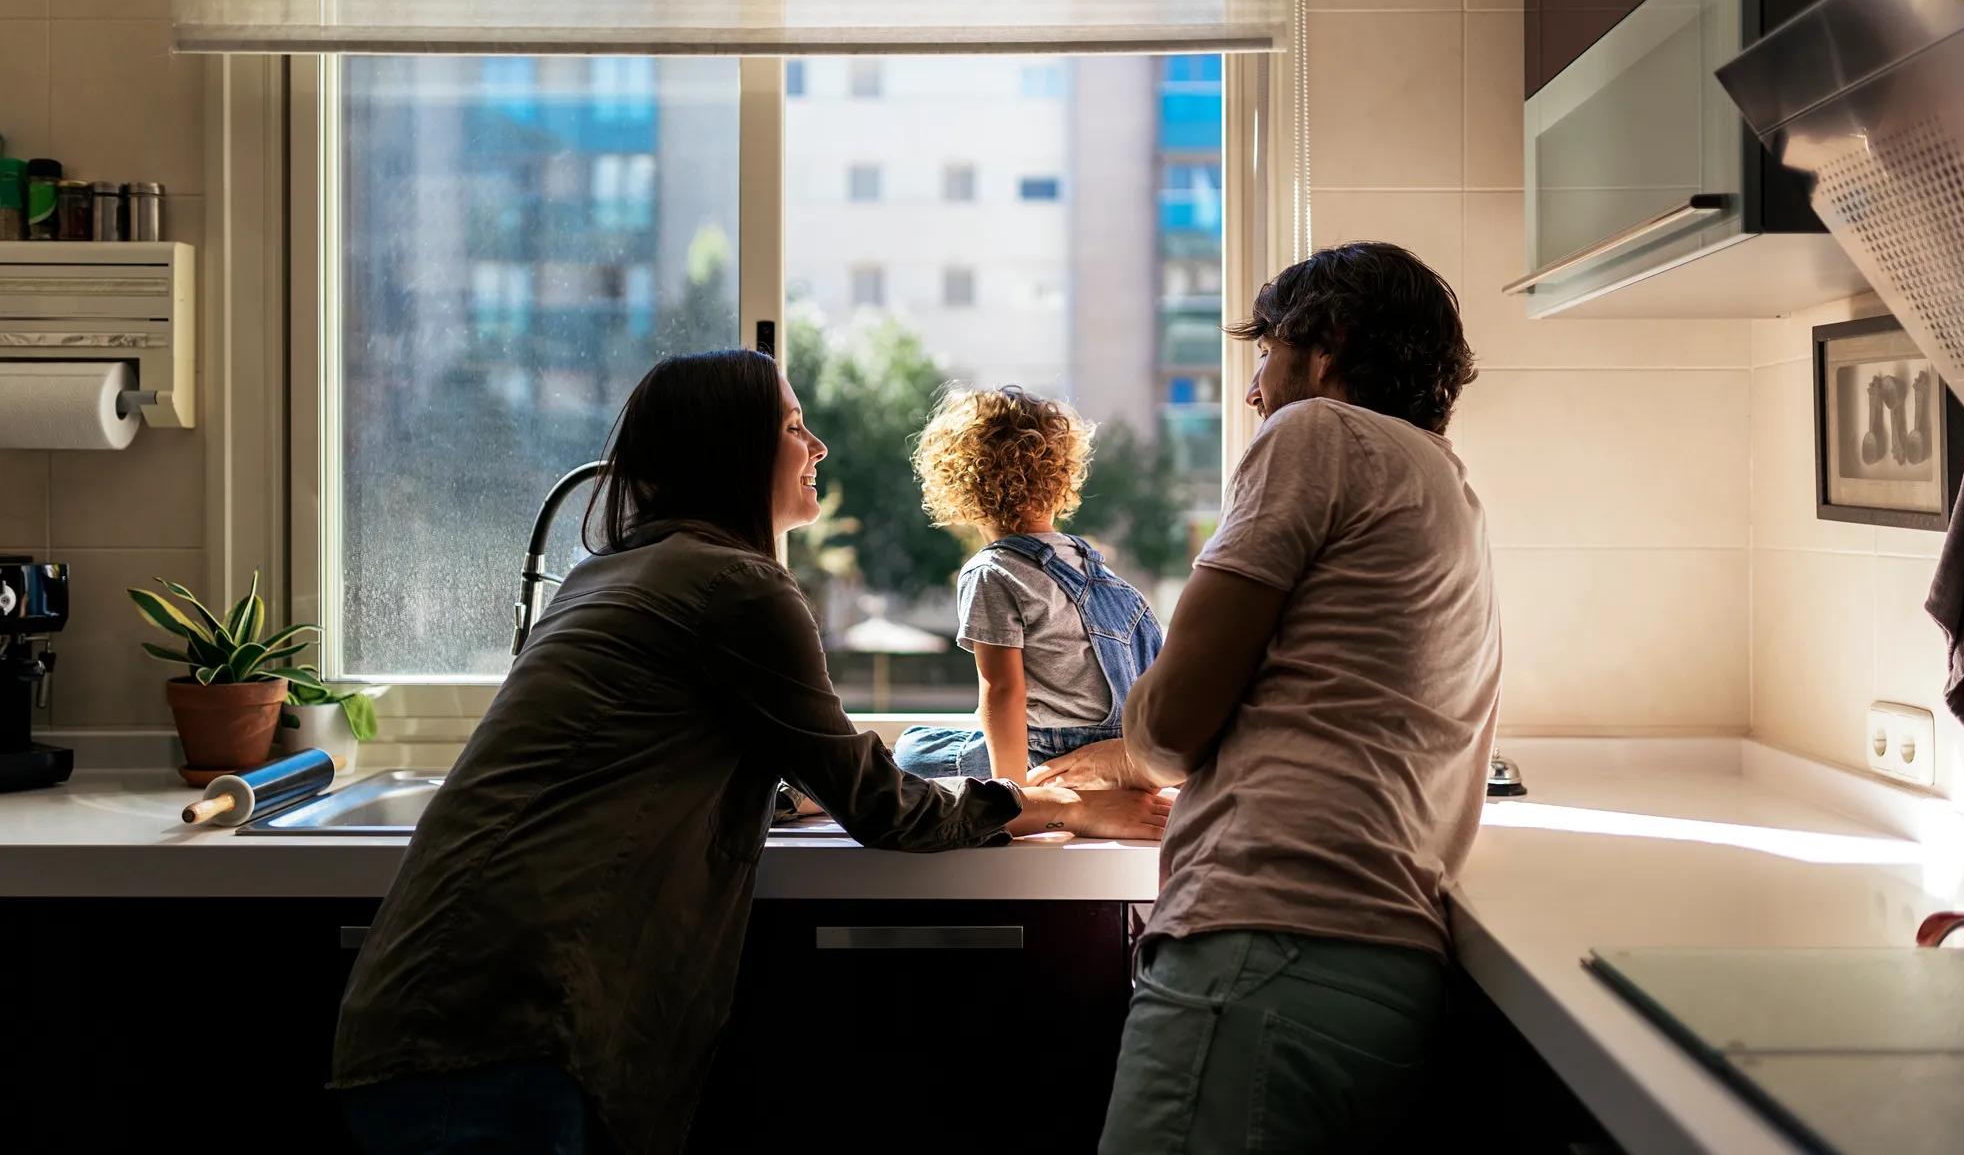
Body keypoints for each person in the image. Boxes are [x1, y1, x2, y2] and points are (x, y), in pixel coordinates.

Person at [328, 351, 1170, 1155]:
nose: (818, 445)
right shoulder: (739, 588)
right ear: (733, 448)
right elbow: (876, 802)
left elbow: (699, 766)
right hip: (513, 1032)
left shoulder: (609, 575)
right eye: (796, 425)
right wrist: (1057, 804)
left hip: (429, 1004)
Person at [1077, 243, 1501, 1153]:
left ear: (1327, 343)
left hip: (1267, 950)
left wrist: (1132, 738)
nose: (1253, 389)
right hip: (1381, 971)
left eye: (1266, 350)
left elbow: (1172, 728)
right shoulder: (1444, 483)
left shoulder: (1318, 437)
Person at [892, 386, 1163, 787]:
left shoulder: (992, 571)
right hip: (1120, 756)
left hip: (1047, 758)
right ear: (1063, 477)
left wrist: (1015, 796)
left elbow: (1002, 692)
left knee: (912, 750)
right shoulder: (1109, 582)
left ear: (960, 484)